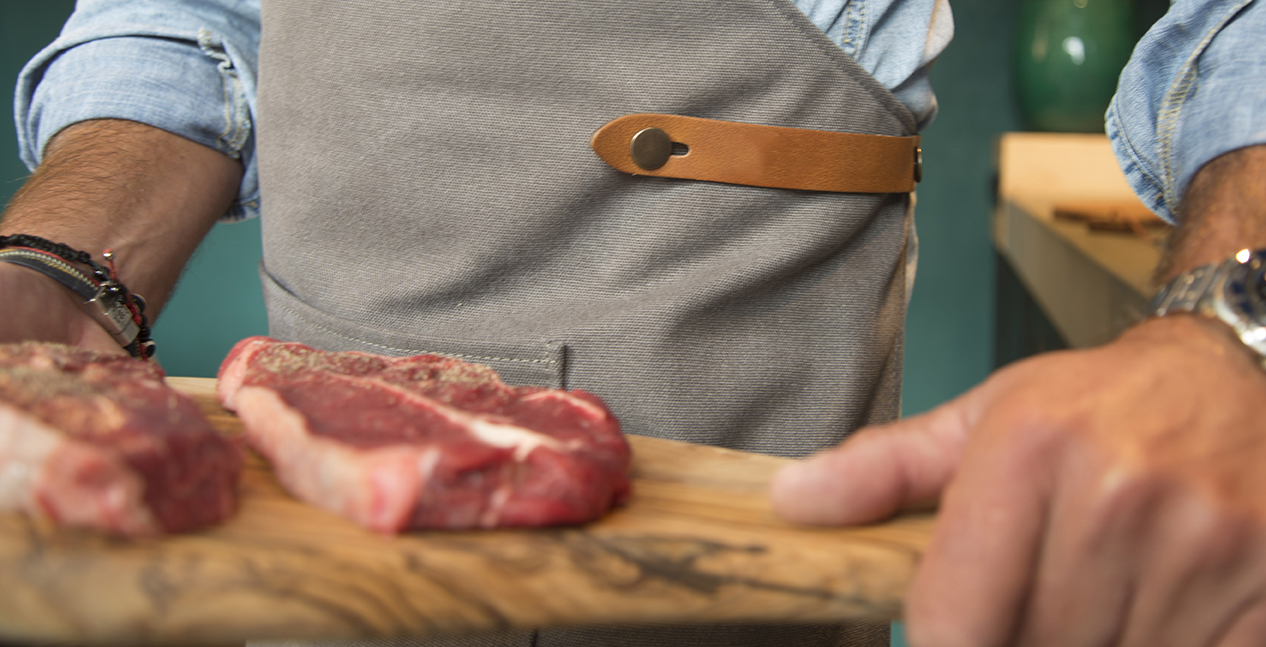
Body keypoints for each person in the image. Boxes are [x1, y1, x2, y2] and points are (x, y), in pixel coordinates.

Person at [0, 1, 1263, 646]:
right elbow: (195, 14)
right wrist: (62, 266)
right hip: (308, 560)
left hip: (721, 532)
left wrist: (1235, 318)